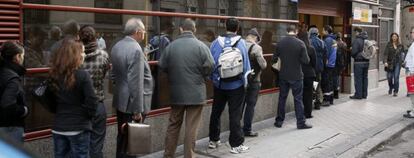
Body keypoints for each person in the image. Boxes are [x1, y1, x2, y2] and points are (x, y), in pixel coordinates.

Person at [160, 18, 214, 158]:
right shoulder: (201, 46)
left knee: (173, 125)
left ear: (181, 29)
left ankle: (168, 155)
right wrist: (201, 76)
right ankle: (189, 156)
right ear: (194, 30)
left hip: (176, 93)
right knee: (191, 128)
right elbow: (210, 66)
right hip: (196, 93)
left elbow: (162, 66)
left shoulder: (171, 46)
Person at [110, 18, 153, 158]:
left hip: (121, 100)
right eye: (144, 32)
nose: (145, 34)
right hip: (131, 104)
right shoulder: (135, 49)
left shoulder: (117, 46)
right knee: (131, 143)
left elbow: (113, 75)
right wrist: (137, 110)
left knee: (122, 138)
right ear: (138, 32)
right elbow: (136, 82)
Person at [49, 39, 98, 158]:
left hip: (59, 127)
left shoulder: (54, 74)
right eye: (83, 52)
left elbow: (51, 102)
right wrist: (87, 117)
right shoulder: (83, 75)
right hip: (78, 128)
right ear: (75, 55)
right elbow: (92, 101)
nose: (84, 54)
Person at [208, 17, 251, 154]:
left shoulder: (215, 43)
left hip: (220, 85)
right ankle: (236, 144)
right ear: (237, 28)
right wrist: (245, 82)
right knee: (235, 114)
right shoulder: (241, 43)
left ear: (225, 26)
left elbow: (211, 63)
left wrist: (216, 80)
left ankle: (213, 140)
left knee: (216, 112)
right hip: (236, 85)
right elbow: (246, 66)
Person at [79, 25, 111, 158]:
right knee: (96, 144)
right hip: (97, 104)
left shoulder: (75, 56)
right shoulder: (103, 55)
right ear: (95, 37)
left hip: (80, 106)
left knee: (81, 145)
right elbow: (104, 74)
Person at [273, 24, 312, 129]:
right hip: (297, 75)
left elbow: (274, 59)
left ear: (287, 31)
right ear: (295, 31)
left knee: (282, 98)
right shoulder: (300, 43)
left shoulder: (280, 43)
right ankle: (300, 122)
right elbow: (306, 61)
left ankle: (279, 121)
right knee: (298, 99)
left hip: (283, 75)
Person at [0, 41, 28, 143]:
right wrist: (24, 110)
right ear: (17, 57)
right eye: (23, 56)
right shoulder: (12, 78)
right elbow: (8, 105)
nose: (23, 59)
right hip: (10, 127)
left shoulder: (3, 71)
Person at [243, 28, 267, 137]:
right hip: (254, 80)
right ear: (255, 37)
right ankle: (247, 130)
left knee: (239, 105)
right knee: (250, 105)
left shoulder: (239, 45)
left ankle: (236, 129)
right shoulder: (257, 48)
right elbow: (263, 65)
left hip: (241, 80)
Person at [298, 30, 316, 119]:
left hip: (299, 73)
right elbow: (314, 62)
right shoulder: (311, 48)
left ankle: (300, 112)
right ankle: (308, 113)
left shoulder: (298, 48)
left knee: (299, 94)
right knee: (308, 94)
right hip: (309, 74)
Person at [308, 26, 327, 108]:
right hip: (319, 67)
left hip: (310, 67)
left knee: (311, 84)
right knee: (317, 84)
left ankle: (311, 100)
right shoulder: (322, 42)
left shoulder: (309, 42)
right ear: (317, 33)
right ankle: (318, 102)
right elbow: (325, 55)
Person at [350, 27, 369, 99]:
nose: (355, 33)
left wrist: (352, 51)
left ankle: (358, 95)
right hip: (366, 62)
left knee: (358, 78)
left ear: (357, 32)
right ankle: (364, 94)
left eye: (355, 32)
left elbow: (353, 52)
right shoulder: (366, 39)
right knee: (365, 78)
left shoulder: (357, 40)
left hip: (358, 62)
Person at [321, 25, 337, 105]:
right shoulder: (333, 39)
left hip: (327, 65)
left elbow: (325, 53)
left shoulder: (327, 40)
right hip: (332, 64)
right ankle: (331, 99)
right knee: (330, 82)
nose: (322, 31)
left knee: (326, 82)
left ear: (326, 31)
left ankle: (326, 100)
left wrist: (324, 62)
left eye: (323, 30)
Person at [403, 27, 414, 118]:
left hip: (412, 72)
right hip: (410, 71)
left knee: (412, 93)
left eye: (413, 32)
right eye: (411, 32)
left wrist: (411, 72)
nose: (411, 34)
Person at [334, 32, 348, 99]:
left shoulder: (334, 44)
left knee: (334, 78)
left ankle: (335, 92)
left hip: (335, 62)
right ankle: (337, 92)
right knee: (337, 77)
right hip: (341, 63)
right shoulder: (344, 44)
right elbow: (345, 55)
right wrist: (345, 64)